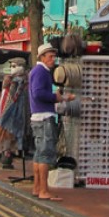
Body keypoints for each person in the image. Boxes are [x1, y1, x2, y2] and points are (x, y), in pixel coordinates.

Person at [28, 42, 74, 201]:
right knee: (46, 155)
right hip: (44, 117)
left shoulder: (37, 71)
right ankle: (44, 190)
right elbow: (38, 94)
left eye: (54, 56)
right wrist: (57, 97)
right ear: (41, 57)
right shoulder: (41, 72)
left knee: (39, 154)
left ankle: (36, 188)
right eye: (50, 56)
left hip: (37, 116)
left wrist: (61, 97)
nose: (53, 59)